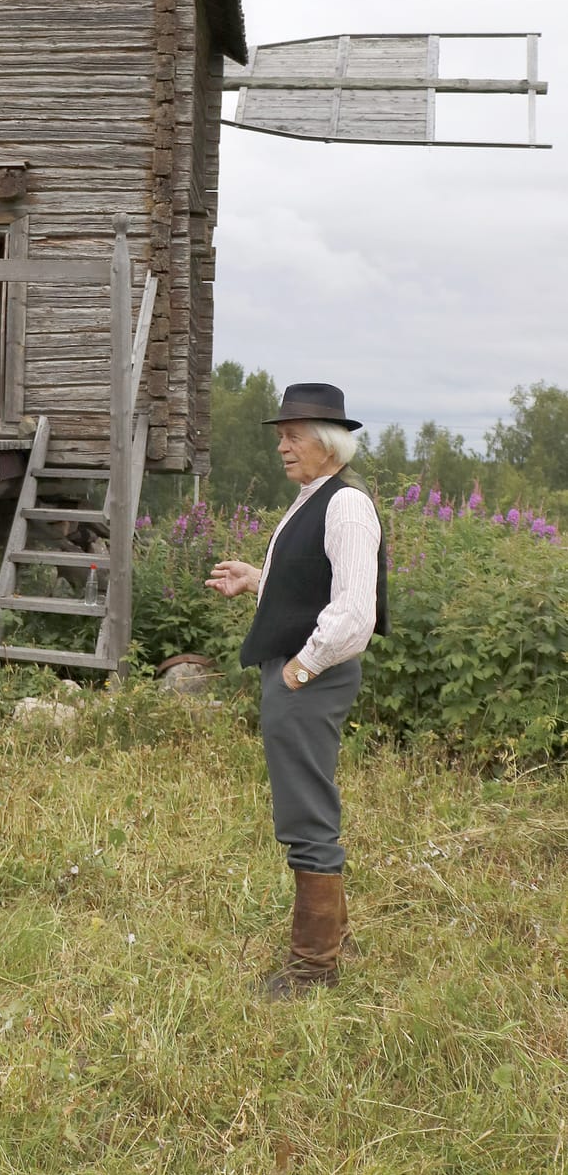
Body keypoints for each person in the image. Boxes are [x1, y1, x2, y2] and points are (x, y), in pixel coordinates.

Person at [206, 382, 387, 997]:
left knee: (306, 815)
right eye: (280, 435)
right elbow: (315, 587)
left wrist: (300, 670)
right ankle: (329, 939)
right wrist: (259, 579)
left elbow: (354, 614)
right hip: (300, 673)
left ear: (328, 441)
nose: (281, 446)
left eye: (293, 434)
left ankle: (313, 969)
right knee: (304, 807)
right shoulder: (316, 498)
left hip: (311, 677)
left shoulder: (346, 506)